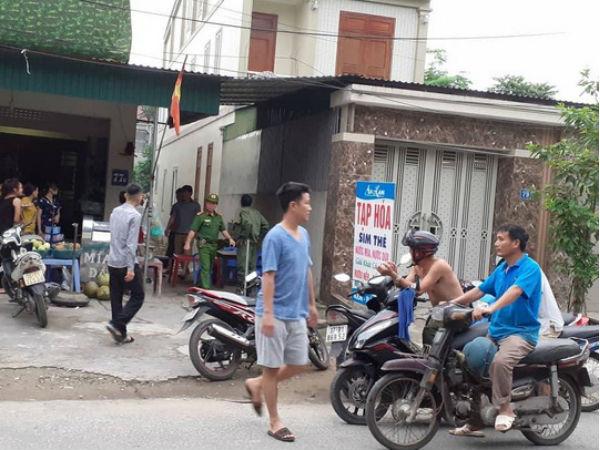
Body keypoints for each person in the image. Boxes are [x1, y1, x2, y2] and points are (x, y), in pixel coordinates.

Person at [448, 224, 542, 436]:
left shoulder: (530, 268)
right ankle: (475, 421)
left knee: (501, 362)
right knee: (471, 361)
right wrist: (451, 304)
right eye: (496, 239)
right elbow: (480, 290)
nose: (496, 243)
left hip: (520, 333)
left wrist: (491, 307)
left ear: (515, 243)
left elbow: (515, 291)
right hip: (496, 331)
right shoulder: (502, 269)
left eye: (501, 239)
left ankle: (505, 408)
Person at [244, 182, 319, 443]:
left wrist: (312, 304)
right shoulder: (275, 237)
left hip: (296, 313)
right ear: (293, 205)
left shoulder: (304, 235)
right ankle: (275, 422)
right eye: (307, 203)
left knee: (299, 363)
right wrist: (266, 314)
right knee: (272, 369)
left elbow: (307, 270)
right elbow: (268, 276)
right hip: (273, 313)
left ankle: (256, 384)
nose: (310, 208)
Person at [377, 230, 464, 305]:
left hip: (457, 313)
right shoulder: (417, 267)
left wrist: (394, 275)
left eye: (411, 249)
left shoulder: (439, 265)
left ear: (419, 252)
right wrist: (393, 273)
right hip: (440, 313)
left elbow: (418, 290)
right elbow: (405, 286)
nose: (409, 252)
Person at [106, 184, 145, 345]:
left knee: (116, 297)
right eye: (142, 196)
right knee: (138, 296)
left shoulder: (115, 211)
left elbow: (113, 237)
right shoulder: (135, 215)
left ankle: (120, 334)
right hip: (125, 262)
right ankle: (117, 323)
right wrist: (130, 268)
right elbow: (131, 244)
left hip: (112, 260)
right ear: (138, 197)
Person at [184, 193, 235, 288]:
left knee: (209, 267)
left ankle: (199, 285)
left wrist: (230, 238)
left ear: (216, 205)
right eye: (210, 203)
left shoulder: (218, 217)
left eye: (214, 203)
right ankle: (206, 288)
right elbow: (193, 230)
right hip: (203, 245)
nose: (212, 205)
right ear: (206, 203)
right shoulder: (201, 216)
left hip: (214, 245)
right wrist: (187, 243)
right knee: (206, 267)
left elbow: (223, 230)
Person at [233, 194, 269, 286]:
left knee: (242, 265)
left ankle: (242, 286)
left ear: (241, 202)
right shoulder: (256, 213)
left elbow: (247, 225)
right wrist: (258, 237)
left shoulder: (241, 211)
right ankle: (250, 285)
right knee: (252, 266)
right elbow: (266, 225)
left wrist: (241, 237)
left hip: (244, 242)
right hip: (254, 243)